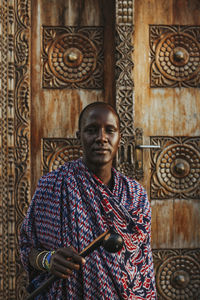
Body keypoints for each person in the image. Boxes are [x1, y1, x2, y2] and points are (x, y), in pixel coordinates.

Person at [20, 102, 157, 299]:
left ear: (119, 138)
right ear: (79, 137)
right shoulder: (53, 186)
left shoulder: (136, 195)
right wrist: (49, 260)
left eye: (110, 131)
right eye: (92, 130)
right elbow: (28, 248)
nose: (101, 138)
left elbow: (142, 266)